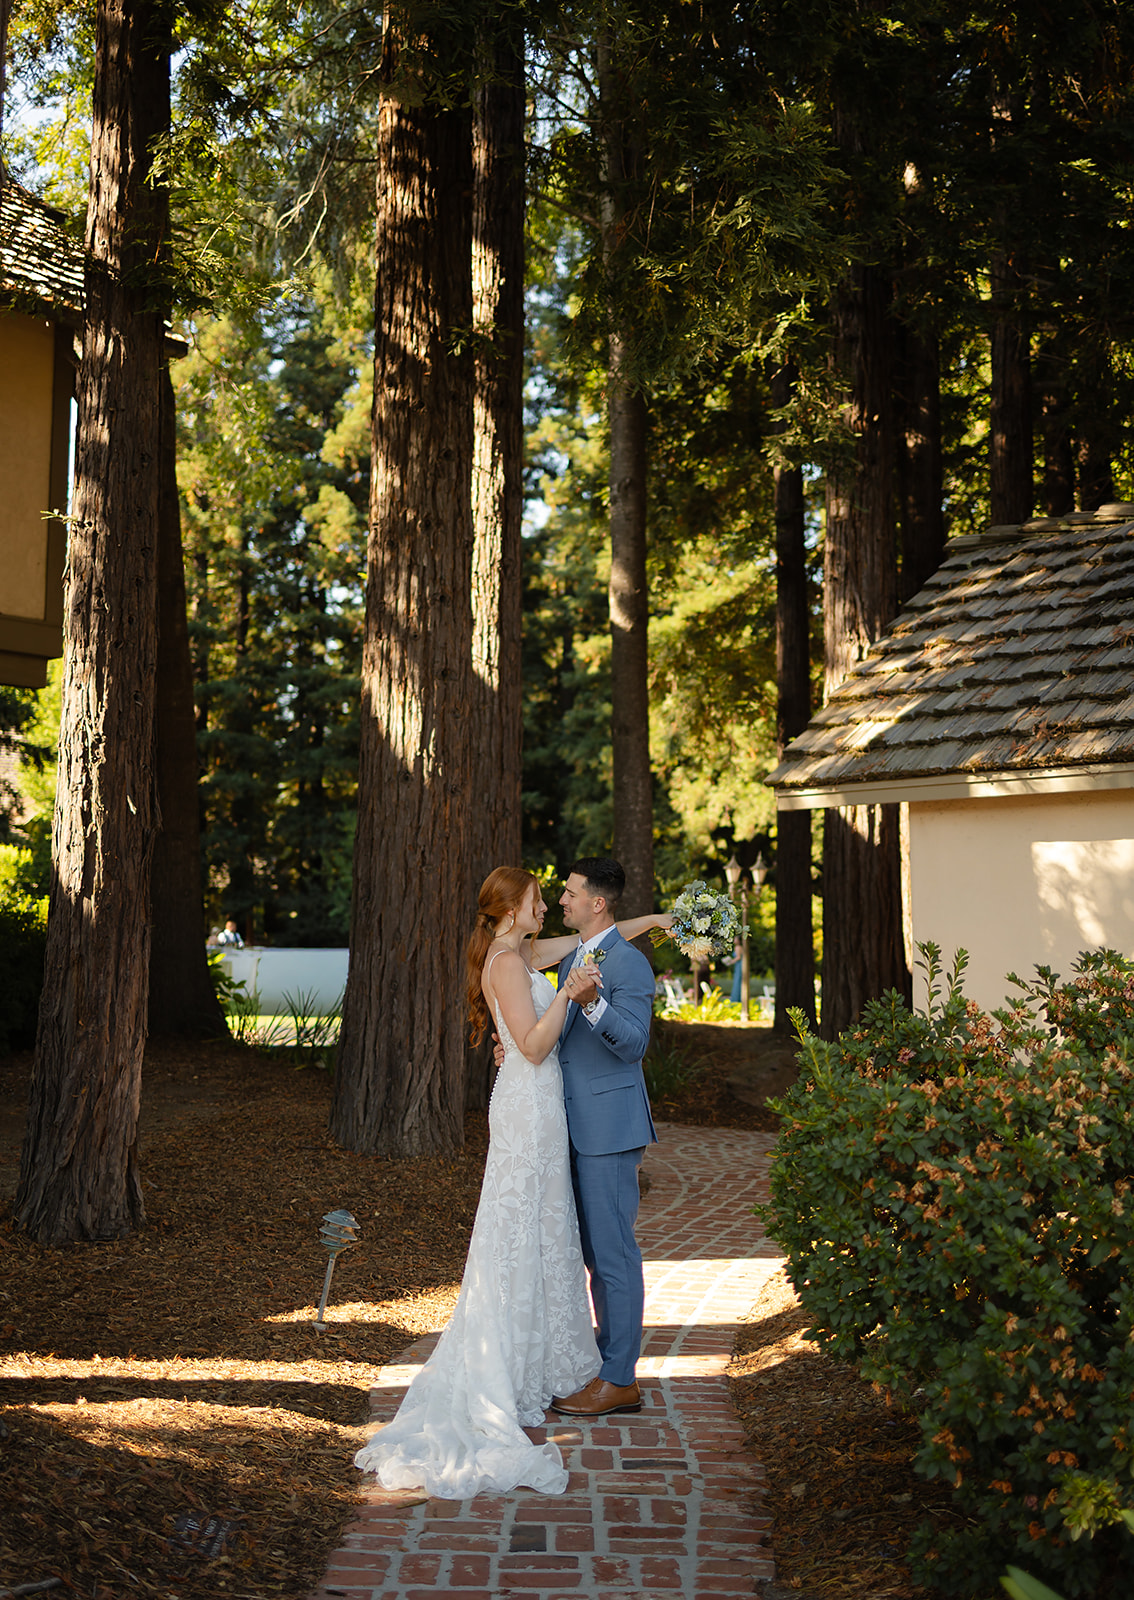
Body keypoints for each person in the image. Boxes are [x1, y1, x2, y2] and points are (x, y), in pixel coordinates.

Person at [353, 867, 668, 1498]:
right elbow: (529, 1042)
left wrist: (657, 923)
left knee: (559, 1237)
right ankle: (525, 1367)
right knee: (525, 1232)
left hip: (555, 1110)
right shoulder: (508, 960)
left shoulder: (529, 951)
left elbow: (602, 940)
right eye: (539, 899)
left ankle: (595, 1369)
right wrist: (561, 1000)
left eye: (562, 897)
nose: (551, 905)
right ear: (511, 910)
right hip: (531, 1104)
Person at [545, 857, 661, 1420]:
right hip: (568, 1125)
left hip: (609, 1130)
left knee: (613, 1255)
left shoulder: (630, 964)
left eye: (569, 893)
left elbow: (634, 1044)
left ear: (598, 903)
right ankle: (604, 1366)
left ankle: (619, 1379)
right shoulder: (572, 956)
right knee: (592, 1253)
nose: (560, 900)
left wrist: (593, 1002)